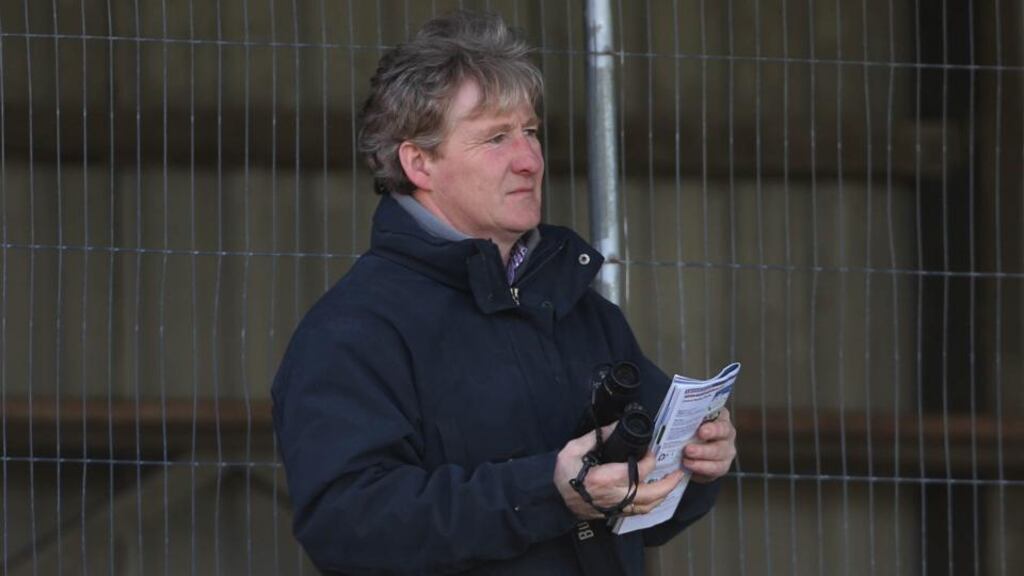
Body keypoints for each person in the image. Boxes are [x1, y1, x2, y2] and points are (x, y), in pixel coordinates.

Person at [272, 10, 736, 575]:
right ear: (418, 162)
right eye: (495, 137)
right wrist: (546, 491)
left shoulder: (579, 309)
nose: (530, 160)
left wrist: (695, 464)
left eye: (531, 131)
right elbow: (347, 529)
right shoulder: (355, 331)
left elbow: (651, 513)